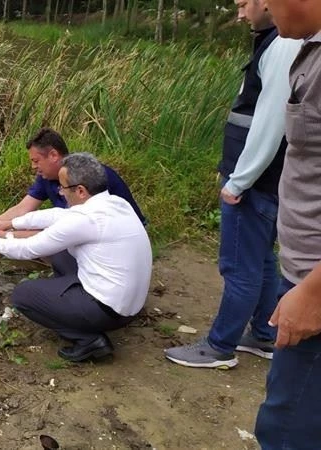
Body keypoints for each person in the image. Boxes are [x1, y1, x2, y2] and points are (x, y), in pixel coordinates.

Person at [164, 0, 302, 369]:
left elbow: (272, 120)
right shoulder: (275, 40)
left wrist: (238, 180)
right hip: (265, 180)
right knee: (260, 259)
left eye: (244, 4)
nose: (239, 14)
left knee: (239, 266)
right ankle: (262, 334)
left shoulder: (283, 45)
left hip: (255, 183)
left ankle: (219, 346)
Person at [0, 153, 152, 362]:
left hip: (110, 312)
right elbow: (56, 215)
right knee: (61, 253)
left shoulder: (86, 219)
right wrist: (11, 224)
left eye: (63, 187)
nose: (60, 192)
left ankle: (89, 340)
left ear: (80, 191)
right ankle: (67, 302)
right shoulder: (115, 203)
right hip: (130, 307)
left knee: (23, 295)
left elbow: (30, 248)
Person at [252, 0, 321, 446]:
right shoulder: (307, 48)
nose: (257, 8)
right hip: (304, 275)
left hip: (313, 288)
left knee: (285, 430)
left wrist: (313, 294)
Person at [0, 128, 146, 238]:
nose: (33, 167)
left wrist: (2, 237)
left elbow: (66, 230)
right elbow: (23, 208)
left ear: (54, 155)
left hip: (117, 235)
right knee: (25, 230)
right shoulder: (46, 177)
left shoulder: (86, 175)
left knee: (38, 237)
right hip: (87, 230)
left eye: (36, 160)